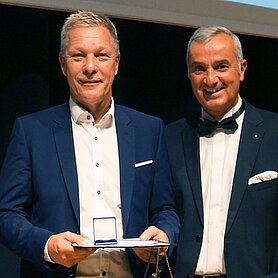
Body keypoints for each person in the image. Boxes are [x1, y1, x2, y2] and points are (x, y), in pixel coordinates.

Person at [0, 10, 180, 278]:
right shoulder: (31, 131)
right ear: (62, 63)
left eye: (101, 55)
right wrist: (48, 246)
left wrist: (163, 234)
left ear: (116, 63)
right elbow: (6, 215)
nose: (90, 67)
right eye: (78, 55)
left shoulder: (148, 129)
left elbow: (166, 208)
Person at [166, 25, 278, 278]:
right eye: (199, 69)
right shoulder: (169, 138)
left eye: (221, 66)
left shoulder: (275, 133)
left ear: (242, 69)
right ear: (188, 75)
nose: (210, 79)